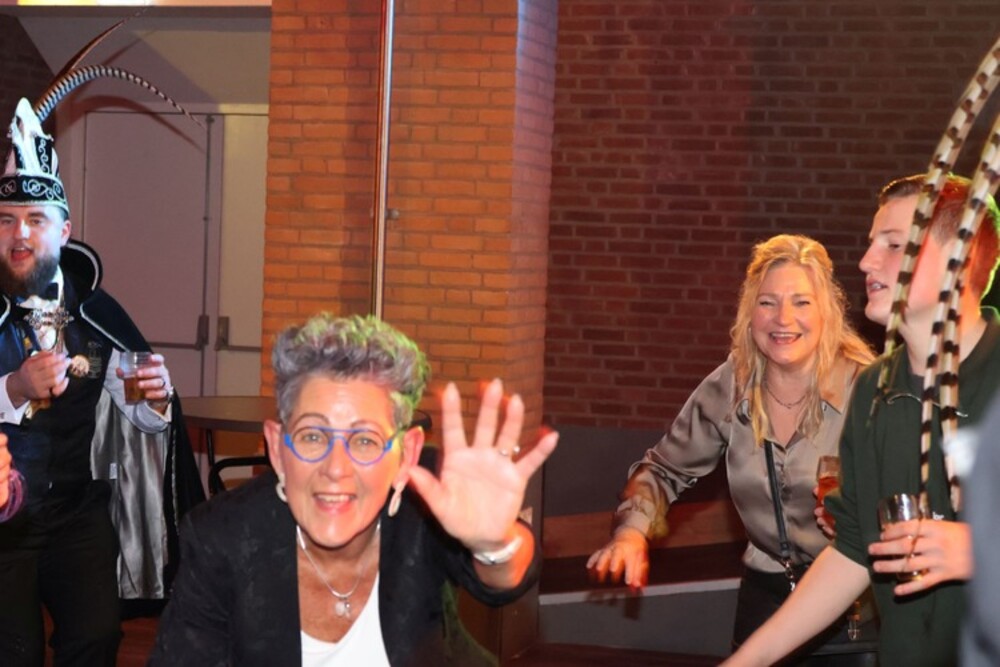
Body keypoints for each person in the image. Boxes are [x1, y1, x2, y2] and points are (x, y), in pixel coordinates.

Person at [148, 313, 559, 666]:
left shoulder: (430, 497)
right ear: (277, 448)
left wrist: (494, 545)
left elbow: (506, 579)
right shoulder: (222, 535)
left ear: (407, 454)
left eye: (365, 440)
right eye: (312, 437)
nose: (336, 469)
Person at [724, 173, 1000, 667]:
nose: (866, 261)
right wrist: (747, 661)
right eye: (873, 243)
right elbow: (853, 549)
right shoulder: (875, 389)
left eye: (893, 245)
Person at [587, 234, 875, 661]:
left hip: (853, 607)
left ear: (827, 311)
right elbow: (663, 469)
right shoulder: (731, 384)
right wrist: (631, 531)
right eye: (767, 302)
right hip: (765, 599)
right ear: (749, 312)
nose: (783, 318)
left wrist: (860, 519)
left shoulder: (868, 389)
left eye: (801, 302)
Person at [0, 97, 203, 665]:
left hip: (75, 513)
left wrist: (155, 399)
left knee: (96, 637)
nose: (20, 235)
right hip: (2, 523)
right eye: (6, 220)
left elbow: (135, 410)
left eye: (36, 220)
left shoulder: (95, 313)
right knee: (13, 650)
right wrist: (14, 388)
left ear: (64, 231)